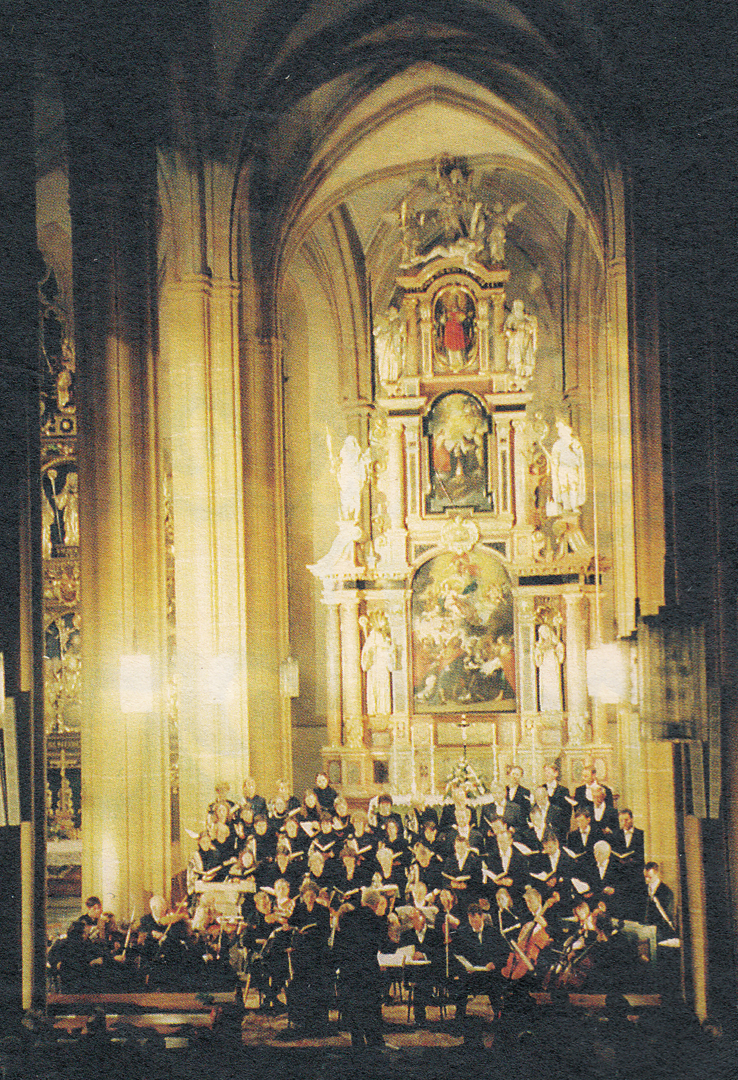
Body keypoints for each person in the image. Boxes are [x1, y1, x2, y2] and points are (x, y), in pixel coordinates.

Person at [334, 887, 391, 1049]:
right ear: (377, 904)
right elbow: (385, 947)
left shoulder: (347, 917)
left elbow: (340, 943)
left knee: (353, 1006)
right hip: (368, 970)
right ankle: (375, 1042)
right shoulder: (378, 921)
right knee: (371, 1006)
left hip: (349, 969)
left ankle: (357, 1042)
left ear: (362, 901)